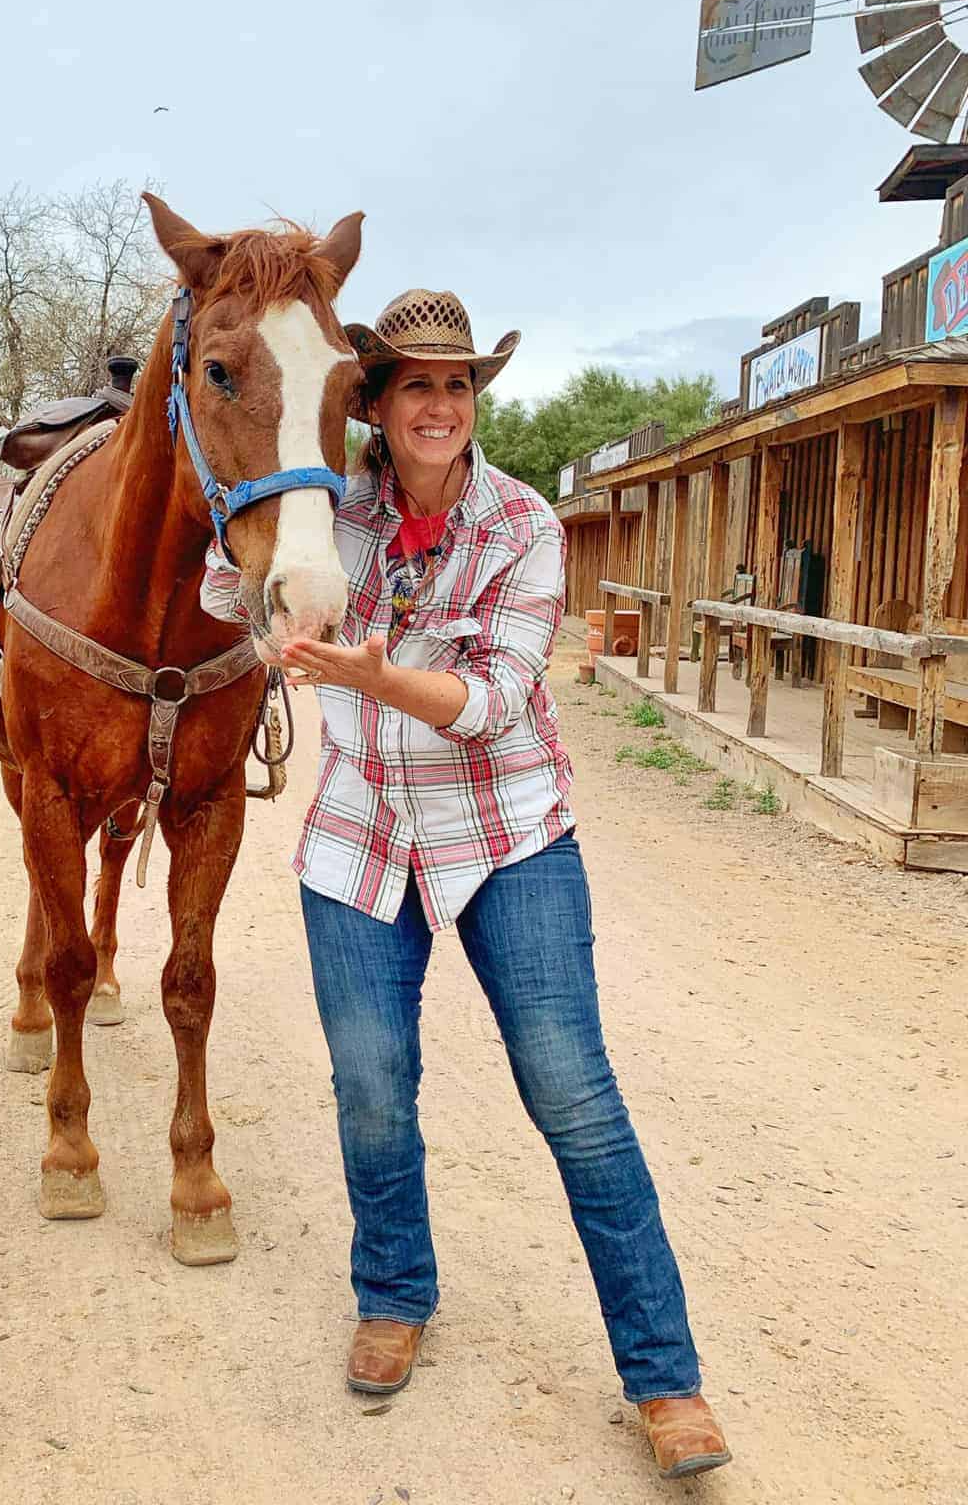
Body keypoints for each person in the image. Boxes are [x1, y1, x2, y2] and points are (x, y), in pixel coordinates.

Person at [202, 290, 730, 1483]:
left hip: (509, 833)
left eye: (459, 385)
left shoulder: (524, 522)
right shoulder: (325, 509)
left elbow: (494, 705)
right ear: (375, 410)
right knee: (373, 1086)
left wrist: (376, 680)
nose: (440, 406)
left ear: (472, 402)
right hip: (361, 834)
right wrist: (244, 520)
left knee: (574, 1095)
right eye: (415, 387)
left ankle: (665, 1376)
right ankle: (393, 1294)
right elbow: (223, 604)